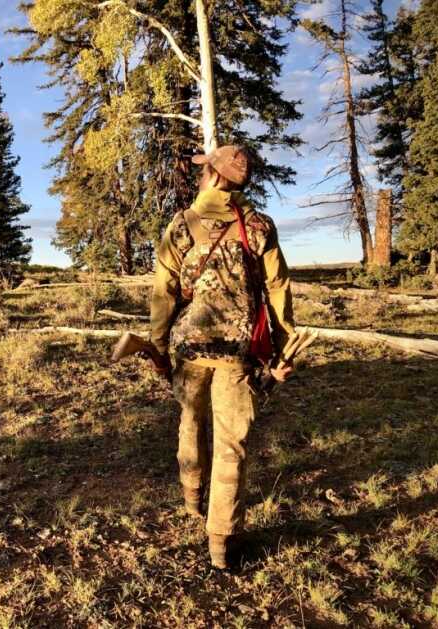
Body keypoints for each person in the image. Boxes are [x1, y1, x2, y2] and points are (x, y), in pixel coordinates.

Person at [149, 145, 296, 569]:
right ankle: (222, 543)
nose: (200, 175)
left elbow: (164, 294)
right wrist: (283, 347)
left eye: (203, 169)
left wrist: (158, 346)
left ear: (212, 176)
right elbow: (279, 289)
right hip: (239, 355)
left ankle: (193, 496)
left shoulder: (181, 224)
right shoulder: (259, 226)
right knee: (232, 444)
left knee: (191, 423)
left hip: (189, 351)